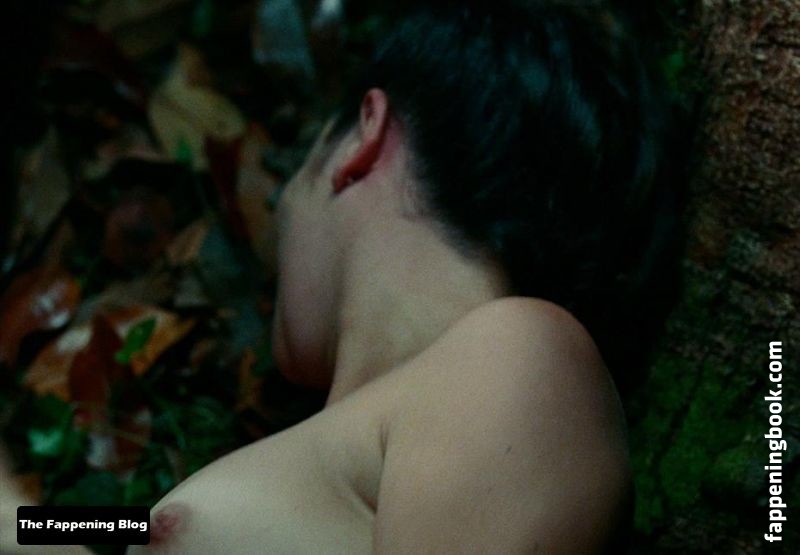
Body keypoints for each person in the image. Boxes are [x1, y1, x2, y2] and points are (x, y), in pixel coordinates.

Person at [3, 1, 683, 553]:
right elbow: (110, 530)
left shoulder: (523, 358)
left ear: (362, 139)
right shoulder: (329, 456)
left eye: (292, 182)